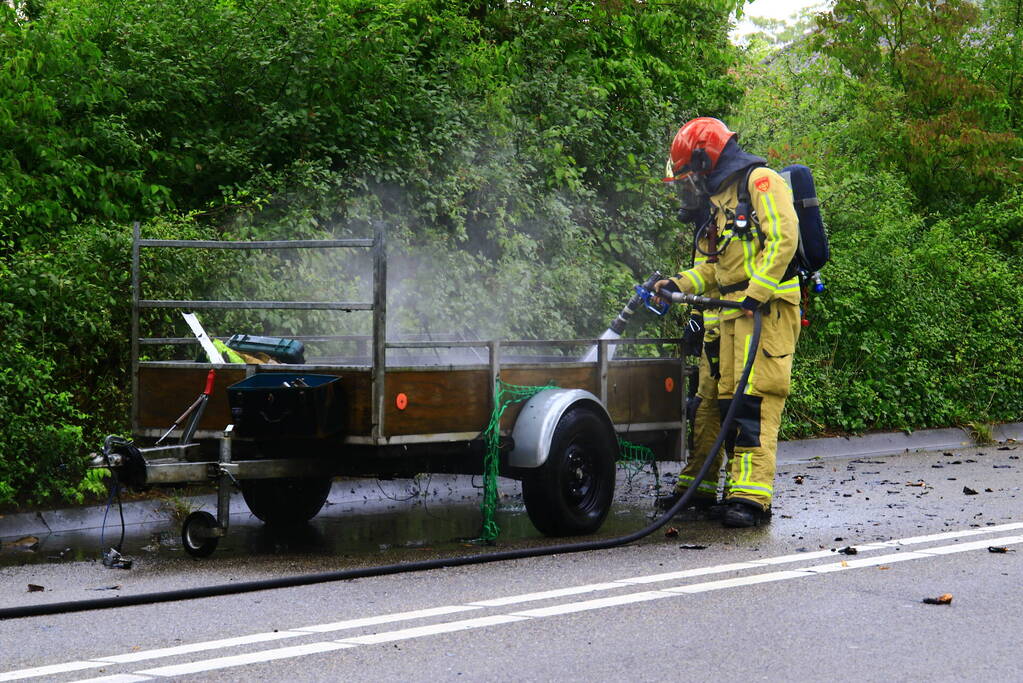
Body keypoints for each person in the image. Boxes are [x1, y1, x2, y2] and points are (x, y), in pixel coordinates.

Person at [655, 117, 801, 528]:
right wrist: (676, 284)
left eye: (690, 174)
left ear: (707, 159)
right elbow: (709, 268)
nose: (690, 184)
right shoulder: (715, 203)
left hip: (764, 309)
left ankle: (751, 497)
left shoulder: (760, 182)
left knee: (752, 400)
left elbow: (783, 239)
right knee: (709, 404)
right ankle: (699, 486)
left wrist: (757, 293)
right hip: (729, 311)